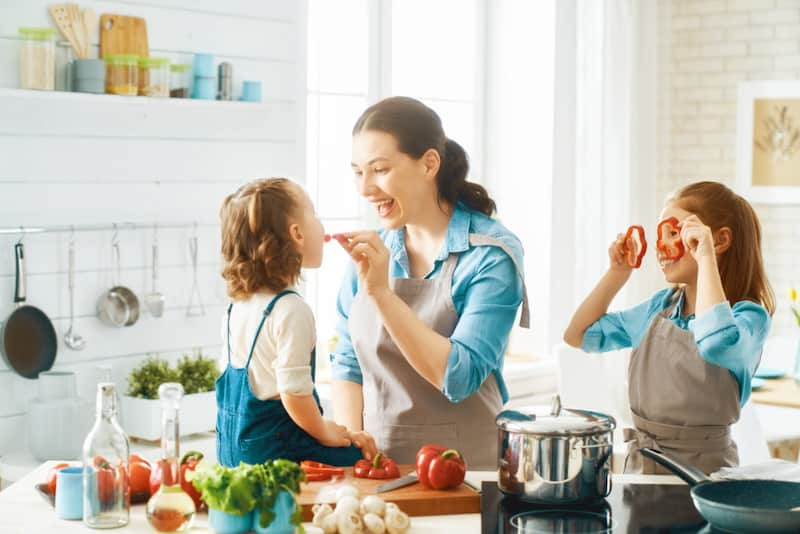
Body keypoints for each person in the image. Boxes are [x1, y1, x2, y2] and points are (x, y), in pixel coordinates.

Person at [329, 96, 530, 468]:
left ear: (429, 164)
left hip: (466, 471)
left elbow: (459, 376)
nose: (365, 188)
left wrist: (381, 294)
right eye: (358, 172)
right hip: (377, 467)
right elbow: (347, 363)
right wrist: (349, 452)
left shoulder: (490, 255)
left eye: (380, 169)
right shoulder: (376, 250)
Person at [563, 181, 775, 474]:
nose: (661, 248)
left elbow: (715, 343)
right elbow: (578, 335)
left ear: (720, 241)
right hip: (643, 471)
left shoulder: (750, 317)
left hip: (706, 479)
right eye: (660, 235)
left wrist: (705, 257)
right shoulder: (659, 308)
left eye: (674, 234)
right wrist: (617, 273)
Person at [216, 178, 376, 467]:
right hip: (276, 452)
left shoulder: (238, 306)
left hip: (232, 450)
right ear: (297, 234)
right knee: (357, 457)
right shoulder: (291, 309)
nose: (321, 223)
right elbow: (294, 393)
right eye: (314, 213)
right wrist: (327, 431)